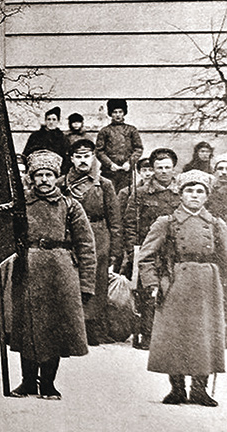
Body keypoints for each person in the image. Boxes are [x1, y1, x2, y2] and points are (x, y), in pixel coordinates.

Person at [10, 150, 96, 400]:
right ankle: (27, 382)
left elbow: (86, 246)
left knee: (54, 329)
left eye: (49, 175)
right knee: (28, 327)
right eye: (39, 175)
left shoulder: (70, 206)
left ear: (56, 177)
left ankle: (47, 382)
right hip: (27, 269)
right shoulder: (21, 205)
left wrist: (86, 284)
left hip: (60, 273)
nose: (44, 180)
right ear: (32, 178)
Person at [137, 170, 226, 407]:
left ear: (207, 196)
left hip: (208, 285)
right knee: (175, 336)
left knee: (204, 336)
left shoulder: (216, 224)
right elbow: (146, 257)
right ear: (180, 194)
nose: (194, 196)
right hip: (176, 283)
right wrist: (153, 284)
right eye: (189, 190)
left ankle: (200, 389)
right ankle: (176, 389)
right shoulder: (166, 222)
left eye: (200, 191)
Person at [59, 139, 122, 345]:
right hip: (70, 236)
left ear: (93, 157)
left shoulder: (104, 185)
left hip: (98, 237)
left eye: (87, 156)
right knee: (71, 279)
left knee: (97, 282)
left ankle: (93, 328)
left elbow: (114, 220)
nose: (83, 160)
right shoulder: (62, 184)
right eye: (78, 156)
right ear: (71, 159)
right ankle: (71, 327)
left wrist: (115, 249)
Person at [121, 147, 181, 350]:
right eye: (159, 167)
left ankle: (171, 336)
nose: (163, 171)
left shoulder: (182, 190)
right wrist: (132, 251)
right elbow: (129, 224)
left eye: (167, 167)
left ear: (174, 168)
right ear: (153, 169)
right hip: (148, 250)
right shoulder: (141, 192)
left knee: (172, 290)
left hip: (174, 252)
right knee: (147, 293)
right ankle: (146, 335)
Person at [95, 99, 143, 193]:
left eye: (120, 112)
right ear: (110, 114)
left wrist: (129, 163)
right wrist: (110, 164)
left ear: (124, 113)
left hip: (126, 173)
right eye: (114, 112)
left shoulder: (131, 130)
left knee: (125, 196)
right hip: (109, 172)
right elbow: (99, 151)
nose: (117, 115)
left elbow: (138, 149)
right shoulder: (105, 131)